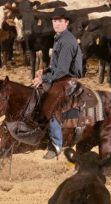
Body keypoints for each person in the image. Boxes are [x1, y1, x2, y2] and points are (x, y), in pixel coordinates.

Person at [32, 7, 83, 160]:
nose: (57, 23)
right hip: (61, 76)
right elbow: (57, 67)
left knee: (52, 106)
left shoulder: (66, 41)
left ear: (66, 22)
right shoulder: (60, 38)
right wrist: (45, 71)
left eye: (60, 21)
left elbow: (62, 70)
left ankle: (56, 143)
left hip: (67, 79)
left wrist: (44, 79)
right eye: (54, 20)